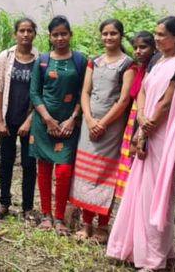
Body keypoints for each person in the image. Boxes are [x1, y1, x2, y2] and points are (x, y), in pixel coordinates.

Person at [107, 16, 175, 271]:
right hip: (147, 128)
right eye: (155, 33)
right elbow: (142, 91)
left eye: (162, 34)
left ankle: (154, 257)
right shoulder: (157, 61)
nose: (157, 38)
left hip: (163, 135)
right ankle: (134, 249)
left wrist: (149, 124)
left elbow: (168, 101)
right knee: (139, 191)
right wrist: (142, 119)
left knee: (157, 195)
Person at [70, 19, 136, 243]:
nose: (109, 38)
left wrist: (103, 123)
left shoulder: (128, 64)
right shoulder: (94, 62)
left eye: (113, 34)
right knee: (86, 174)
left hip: (112, 129)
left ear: (121, 35)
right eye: (105, 34)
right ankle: (87, 224)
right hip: (89, 127)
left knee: (105, 175)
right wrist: (89, 119)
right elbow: (86, 92)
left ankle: (103, 226)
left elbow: (124, 99)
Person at [29, 16, 86, 235]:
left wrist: (73, 119)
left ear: (70, 34)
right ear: (50, 37)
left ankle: (61, 217)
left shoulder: (80, 60)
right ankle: (45, 215)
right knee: (43, 170)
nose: (60, 38)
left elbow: (84, 92)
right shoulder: (42, 60)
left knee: (63, 172)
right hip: (44, 125)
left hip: (69, 127)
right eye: (55, 34)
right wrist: (48, 119)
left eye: (64, 33)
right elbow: (34, 93)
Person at [0, 18, 39, 221]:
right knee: (6, 161)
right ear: (15, 34)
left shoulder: (40, 59)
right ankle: (4, 203)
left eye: (29, 31)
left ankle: (27, 208)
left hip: (30, 121)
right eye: (21, 30)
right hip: (8, 119)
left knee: (29, 164)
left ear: (34, 34)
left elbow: (43, 93)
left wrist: (29, 121)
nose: (25, 34)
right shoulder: (6, 56)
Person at [111, 32, 157, 200]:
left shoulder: (153, 71)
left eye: (143, 47)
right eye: (135, 48)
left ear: (154, 48)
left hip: (141, 123)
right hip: (132, 121)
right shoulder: (140, 69)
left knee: (139, 169)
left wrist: (137, 136)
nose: (138, 51)